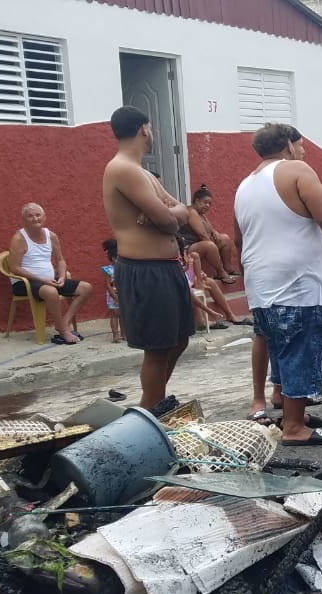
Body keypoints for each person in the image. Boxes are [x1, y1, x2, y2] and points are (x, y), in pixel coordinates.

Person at [234, 123, 322, 446]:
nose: (303, 151)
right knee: (302, 349)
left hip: (262, 284)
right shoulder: (295, 170)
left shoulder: (245, 185)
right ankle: (293, 427)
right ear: (287, 146)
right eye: (301, 145)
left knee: (280, 348)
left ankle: (292, 411)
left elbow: (239, 238)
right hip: (297, 284)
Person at [102, 106, 192, 410]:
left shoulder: (142, 172)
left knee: (179, 340)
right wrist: (168, 215)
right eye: (151, 129)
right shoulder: (122, 169)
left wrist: (168, 213)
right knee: (157, 348)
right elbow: (168, 221)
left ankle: (151, 403)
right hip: (145, 269)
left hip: (166, 267)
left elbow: (182, 211)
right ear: (144, 129)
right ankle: (150, 412)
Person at [7, 203, 94, 345]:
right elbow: (14, 268)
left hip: (49, 280)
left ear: (44, 217)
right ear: (24, 220)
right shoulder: (19, 238)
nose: (35, 219)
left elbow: (60, 260)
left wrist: (61, 276)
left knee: (86, 288)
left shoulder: (51, 236)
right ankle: (64, 331)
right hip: (25, 282)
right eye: (30, 216)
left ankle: (62, 324)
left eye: (38, 215)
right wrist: (42, 279)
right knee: (51, 292)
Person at [180, 184, 240, 282]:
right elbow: (202, 235)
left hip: (199, 243)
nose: (207, 205)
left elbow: (210, 228)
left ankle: (228, 268)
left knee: (224, 238)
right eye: (205, 202)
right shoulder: (192, 212)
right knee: (210, 245)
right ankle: (221, 273)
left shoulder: (201, 214)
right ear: (197, 201)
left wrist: (214, 232)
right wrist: (214, 247)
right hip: (188, 248)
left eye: (209, 203)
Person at [101, 239, 123, 343]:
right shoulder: (108, 270)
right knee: (115, 314)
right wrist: (115, 296)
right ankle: (115, 335)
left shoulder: (125, 269)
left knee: (124, 316)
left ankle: (125, 334)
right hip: (113, 295)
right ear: (113, 258)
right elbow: (108, 285)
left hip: (124, 295)